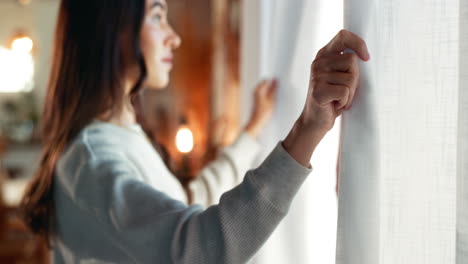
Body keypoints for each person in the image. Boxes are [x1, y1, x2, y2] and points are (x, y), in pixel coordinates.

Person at [20, 0, 370, 263]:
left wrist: (252, 130)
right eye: (157, 17)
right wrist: (307, 128)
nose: (174, 38)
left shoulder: (118, 138)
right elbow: (197, 247)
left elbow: (189, 199)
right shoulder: (93, 164)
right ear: (111, 28)